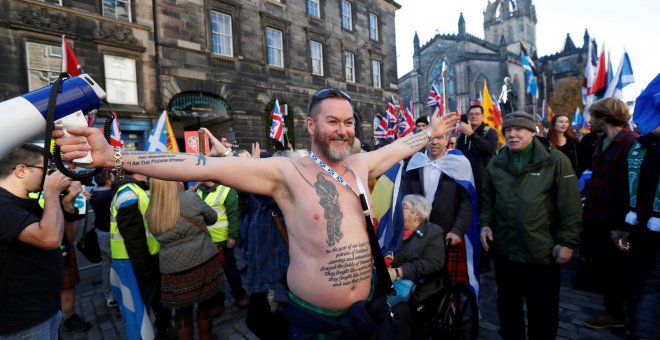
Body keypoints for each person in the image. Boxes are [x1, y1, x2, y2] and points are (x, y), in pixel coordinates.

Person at [54, 87, 459, 338]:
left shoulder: (361, 164)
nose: (343, 130)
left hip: (366, 315)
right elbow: (204, 166)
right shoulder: (285, 172)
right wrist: (115, 156)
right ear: (310, 124)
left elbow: (402, 146)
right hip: (314, 322)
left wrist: (430, 134)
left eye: (349, 122)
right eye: (332, 121)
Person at [479, 111, 582, 339]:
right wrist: (485, 224)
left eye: (518, 130)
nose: (512, 134)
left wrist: (567, 241)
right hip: (505, 251)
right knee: (507, 307)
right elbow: (487, 200)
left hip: (541, 252)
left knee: (542, 310)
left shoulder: (555, 160)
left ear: (532, 132)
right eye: (508, 130)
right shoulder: (496, 163)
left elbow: (570, 205)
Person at [0, 144, 82, 339]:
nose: (51, 175)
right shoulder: (2, 204)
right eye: (46, 169)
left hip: (46, 307)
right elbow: (50, 239)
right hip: (22, 319)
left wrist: (67, 206)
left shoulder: (29, 201)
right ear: (21, 171)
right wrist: (52, 193)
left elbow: (67, 240)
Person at [582, 98, 638, 329]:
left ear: (604, 117)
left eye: (593, 116)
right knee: (607, 269)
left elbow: (630, 188)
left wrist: (621, 225)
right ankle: (613, 312)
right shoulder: (602, 141)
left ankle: (625, 317)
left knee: (622, 271)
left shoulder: (631, 143)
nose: (590, 120)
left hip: (618, 222)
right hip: (598, 217)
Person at [146, 179, 224, 340]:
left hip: (173, 269)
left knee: (181, 312)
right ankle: (206, 336)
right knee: (205, 304)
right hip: (202, 260)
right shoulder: (190, 198)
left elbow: (156, 235)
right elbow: (213, 218)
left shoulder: (151, 210)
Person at [402, 131, 474, 286]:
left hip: (447, 232)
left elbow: (466, 202)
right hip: (418, 231)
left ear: (447, 139)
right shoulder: (416, 162)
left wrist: (457, 230)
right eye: (431, 138)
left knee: (447, 282)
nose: (434, 142)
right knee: (418, 278)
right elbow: (406, 196)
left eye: (439, 137)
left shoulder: (459, 163)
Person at [611, 125, 660, 339]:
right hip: (641, 228)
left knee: (652, 285)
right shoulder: (639, 146)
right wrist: (620, 226)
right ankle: (638, 328)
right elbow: (625, 187)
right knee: (640, 281)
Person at [110, 171, 171, 339]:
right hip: (135, 261)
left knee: (153, 302)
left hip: (144, 258)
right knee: (139, 309)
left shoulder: (136, 189)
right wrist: (145, 268)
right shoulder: (128, 193)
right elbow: (133, 237)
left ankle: (162, 329)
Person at [389, 194, 445, 340]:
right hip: (389, 282)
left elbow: (433, 263)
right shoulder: (393, 229)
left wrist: (400, 271)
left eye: (404, 207)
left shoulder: (433, 232)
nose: (398, 209)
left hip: (421, 288)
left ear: (417, 215)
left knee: (398, 311)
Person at [455, 104, 499, 272]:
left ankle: (486, 259)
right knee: (469, 220)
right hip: (467, 184)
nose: (473, 117)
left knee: (484, 221)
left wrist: (472, 134)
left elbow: (489, 149)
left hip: (484, 185)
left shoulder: (490, 132)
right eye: (471, 114)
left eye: (476, 114)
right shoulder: (462, 136)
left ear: (482, 116)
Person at [195, 179, 248, 311]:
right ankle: (218, 302)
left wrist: (232, 236)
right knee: (213, 274)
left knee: (231, 271)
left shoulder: (226, 190)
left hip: (223, 241)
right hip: (207, 242)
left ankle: (239, 295)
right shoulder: (198, 191)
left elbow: (234, 215)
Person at [89, 170, 117, 308]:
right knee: (117, 265)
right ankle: (119, 294)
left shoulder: (94, 193)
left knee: (106, 266)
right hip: (111, 234)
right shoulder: (110, 195)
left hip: (100, 232)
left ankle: (109, 295)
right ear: (108, 181)